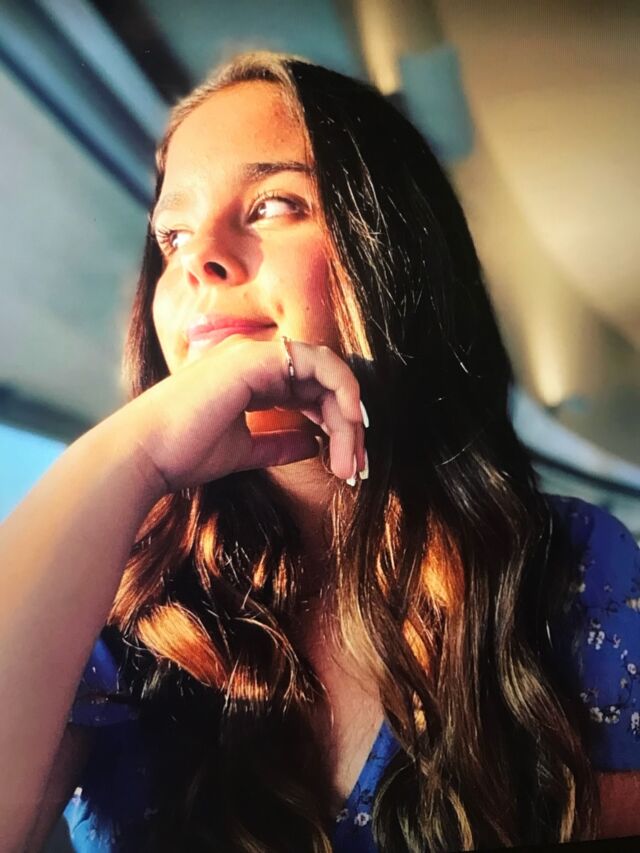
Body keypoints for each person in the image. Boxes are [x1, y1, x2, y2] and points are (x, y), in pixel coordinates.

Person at [2, 50, 639, 853]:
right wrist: (131, 454)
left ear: (392, 252)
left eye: (273, 204)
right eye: (172, 234)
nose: (198, 258)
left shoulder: (566, 565)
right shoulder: (121, 601)